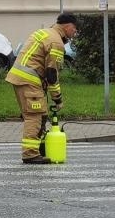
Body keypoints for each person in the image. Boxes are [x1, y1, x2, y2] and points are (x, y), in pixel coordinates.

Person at [6, 12, 79, 164]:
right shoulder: (56, 42)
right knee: (35, 116)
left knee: (39, 114)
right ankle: (30, 154)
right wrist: (58, 99)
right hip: (29, 80)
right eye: (74, 29)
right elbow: (52, 74)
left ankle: (37, 148)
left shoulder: (45, 32)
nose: (74, 34)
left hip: (20, 77)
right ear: (67, 26)